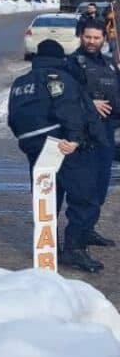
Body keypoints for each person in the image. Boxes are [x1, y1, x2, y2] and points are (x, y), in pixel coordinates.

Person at [7, 39, 110, 273]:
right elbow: (69, 110)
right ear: (59, 58)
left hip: (35, 148)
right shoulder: (58, 78)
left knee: (47, 198)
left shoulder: (20, 83)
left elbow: (13, 119)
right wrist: (74, 139)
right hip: (64, 145)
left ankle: (48, 246)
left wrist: (31, 143)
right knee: (85, 198)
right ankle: (74, 249)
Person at [65, 21, 119, 217]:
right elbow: (65, 96)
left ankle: (88, 228)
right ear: (81, 36)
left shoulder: (111, 64)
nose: (91, 41)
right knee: (83, 188)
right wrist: (90, 104)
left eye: (96, 38)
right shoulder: (71, 63)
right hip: (84, 134)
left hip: (107, 132)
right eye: (88, 37)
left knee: (100, 184)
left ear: (104, 39)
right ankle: (78, 235)